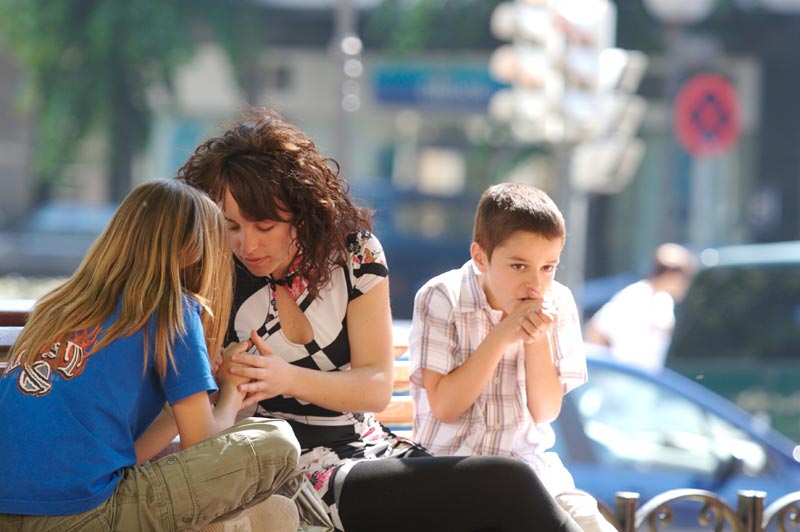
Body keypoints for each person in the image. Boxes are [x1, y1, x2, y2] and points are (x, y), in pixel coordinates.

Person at [177, 106, 585, 532]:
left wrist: (287, 378)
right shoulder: (212, 273)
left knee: (503, 489)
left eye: (264, 227)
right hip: (289, 471)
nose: (247, 245)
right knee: (505, 482)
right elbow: (198, 413)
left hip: (367, 451)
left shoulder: (355, 255)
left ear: (300, 211)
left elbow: (375, 387)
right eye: (231, 227)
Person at [0, 180, 300, 531]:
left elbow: (121, 458)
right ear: (195, 252)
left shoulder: (59, 306)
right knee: (277, 442)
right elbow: (203, 447)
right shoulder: (173, 309)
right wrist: (231, 392)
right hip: (82, 518)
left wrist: (186, 402)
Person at [408, 182, 616, 532]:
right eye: (519, 266)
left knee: (593, 525)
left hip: (531, 472)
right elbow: (445, 407)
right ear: (480, 257)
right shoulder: (442, 296)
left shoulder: (558, 301)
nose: (535, 284)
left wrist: (536, 339)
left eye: (548, 267)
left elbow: (545, 411)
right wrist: (504, 332)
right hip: (452, 472)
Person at [583, 242, 697, 372]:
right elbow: (597, 330)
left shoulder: (665, 301)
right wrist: (607, 370)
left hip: (647, 377)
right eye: (685, 278)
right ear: (671, 275)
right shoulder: (636, 296)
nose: (687, 285)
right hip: (625, 377)